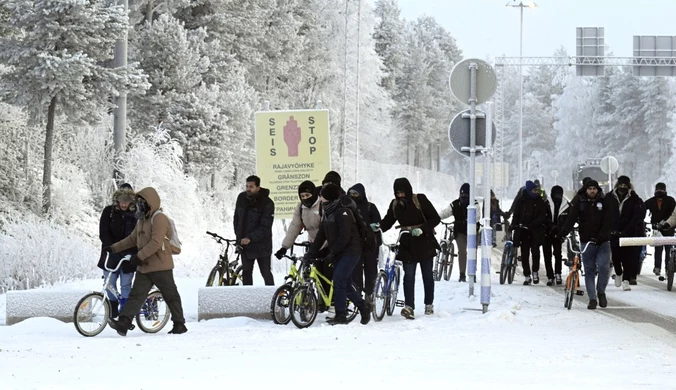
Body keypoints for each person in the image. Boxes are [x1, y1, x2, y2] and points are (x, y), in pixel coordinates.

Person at [106, 187, 187, 335]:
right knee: (136, 295)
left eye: (141, 202)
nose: (138, 206)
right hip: (145, 267)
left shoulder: (159, 218)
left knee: (170, 294)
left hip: (161, 265)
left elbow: (156, 242)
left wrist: (139, 257)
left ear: (150, 202)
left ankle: (179, 323)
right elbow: (132, 239)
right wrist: (113, 248)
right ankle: (124, 322)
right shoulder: (142, 220)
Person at [306, 183, 371, 325]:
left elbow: (345, 237)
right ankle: (363, 307)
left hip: (351, 251)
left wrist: (332, 252)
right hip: (339, 252)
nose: (320, 198)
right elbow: (321, 236)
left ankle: (341, 314)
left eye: (322, 195)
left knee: (338, 279)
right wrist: (311, 253)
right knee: (345, 283)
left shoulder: (343, 212)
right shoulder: (328, 212)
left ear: (328, 197)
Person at [379, 178, 440, 319]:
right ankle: (409, 306)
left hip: (425, 242)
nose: (400, 196)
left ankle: (429, 304)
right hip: (407, 243)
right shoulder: (395, 204)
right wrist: (379, 227)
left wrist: (422, 229)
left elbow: (434, 218)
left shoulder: (420, 200)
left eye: (402, 192)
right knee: (409, 276)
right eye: (397, 193)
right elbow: (388, 220)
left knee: (427, 276)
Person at [559, 179, 612, 309]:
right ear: (586, 190)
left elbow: (608, 221)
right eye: (590, 189)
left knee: (604, 267)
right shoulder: (580, 201)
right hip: (586, 241)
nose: (592, 191)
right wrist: (563, 233)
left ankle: (601, 292)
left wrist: (600, 237)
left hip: (603, 241)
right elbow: (571, 218)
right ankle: (592, 298)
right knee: (589, 270)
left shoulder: (604, 201)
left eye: (594, 189)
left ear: (597, 189)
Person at [98, 183, 138, 318]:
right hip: (110, 253)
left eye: (127, 201)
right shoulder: (108, 212)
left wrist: (130, 251)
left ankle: (125, 312)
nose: (124, 204)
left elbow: (138, 235)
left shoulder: (136, 214)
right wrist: (113, 248)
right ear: (117, 200)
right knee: (109, 283)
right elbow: (103, 232)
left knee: (126, 284)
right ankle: (113, 306)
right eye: (121, 201)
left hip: (129, 254)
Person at [234, 175, 275, 286]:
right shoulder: (241, 198)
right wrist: (238, 237)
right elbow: (236, 219)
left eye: (251, 187)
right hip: (245, 245)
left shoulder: (267, 203)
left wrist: (250, 238)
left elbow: (265, 226)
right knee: (246, 273)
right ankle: (247, 299)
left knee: (265, 272)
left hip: (262, 245)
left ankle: (272, 296)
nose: (248, 189)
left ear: (258, 187)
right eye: (247, 186)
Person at [607, 176, 644, 290]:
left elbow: (638, 215)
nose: (622, 187)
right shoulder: (609, 197)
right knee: (616, 256)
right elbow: (605, 214)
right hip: (613, 232)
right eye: (621, 184)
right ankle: (618, 272)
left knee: (628, 258)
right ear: (617, 185)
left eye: (625, 185)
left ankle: (626, 280)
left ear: (629, 186)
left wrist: (628, 229)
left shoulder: (634, 198)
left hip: (629, 232)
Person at [347, 183, 382, 304]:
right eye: (351, 194)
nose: (353, 196)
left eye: (356, 194)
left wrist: (372, 227)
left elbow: (378, 223)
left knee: (370, 269)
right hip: (355, 244)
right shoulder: (347, 208)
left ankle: (369, 293)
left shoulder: (370, 207)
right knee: (355, 270)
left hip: (370, 244)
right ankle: (357, 294)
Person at [439, 183, 480, 282]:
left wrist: (468, 220)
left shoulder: (475, 204)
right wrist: (436, 217)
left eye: (466, 195)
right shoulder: (455, 204)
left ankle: (472, 273)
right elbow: (445, 212)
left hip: (472, 232)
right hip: (460, 231)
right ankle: (462, 274)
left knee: (472, 252)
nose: (463, 197)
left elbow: (477, 217)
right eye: (462, 194)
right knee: (462, 251)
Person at [511, 180, 547, 285]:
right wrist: (514, 225)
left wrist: (534, 224)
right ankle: (527, 275)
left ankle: (535, 272)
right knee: (524, 254)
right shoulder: (521, 201)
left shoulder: (540, 201)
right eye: (534, 190)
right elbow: (516, 214)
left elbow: (542, 216)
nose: (536, 192)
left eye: (537, 190)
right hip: (523, 231)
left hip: (535, 231)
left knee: (535, 253)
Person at [645, 182, 675, 276]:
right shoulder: (651, 201)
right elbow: (642, 208)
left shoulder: (670, 200)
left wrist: (666, 223)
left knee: (668, 249)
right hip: (656, 229)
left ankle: (668, 268)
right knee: (658, 249)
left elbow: (673, 214)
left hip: (668, 228)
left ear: (665, 190)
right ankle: (657, 267)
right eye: (658, 189)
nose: (659, 191)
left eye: (661, 189)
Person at [543, 185, 570, 286]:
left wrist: (562, 230)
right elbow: (543, 217)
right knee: (547, 255)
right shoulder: (546, 204)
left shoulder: (566, 205)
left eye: (560, 194)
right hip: (547, 232)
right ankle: (550, 276)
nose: (558, 196)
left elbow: (569, 219)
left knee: (558, 255)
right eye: (556, 194)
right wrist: (551, 225)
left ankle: (558, 274)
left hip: (559, 234)